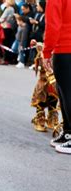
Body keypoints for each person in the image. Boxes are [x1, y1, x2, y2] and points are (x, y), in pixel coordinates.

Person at [43, 0, 71, 154]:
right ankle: (68, 132)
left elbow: (53, 24)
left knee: (66, 94)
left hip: (65, 47)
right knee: (65, 93)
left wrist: (47, 51)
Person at [30, 42, 59, 133]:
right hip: (44, 82)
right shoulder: (44, 50)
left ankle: (52, 118)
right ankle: (40, 118)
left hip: (55, 82)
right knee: (41, 100)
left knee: (54, 100)